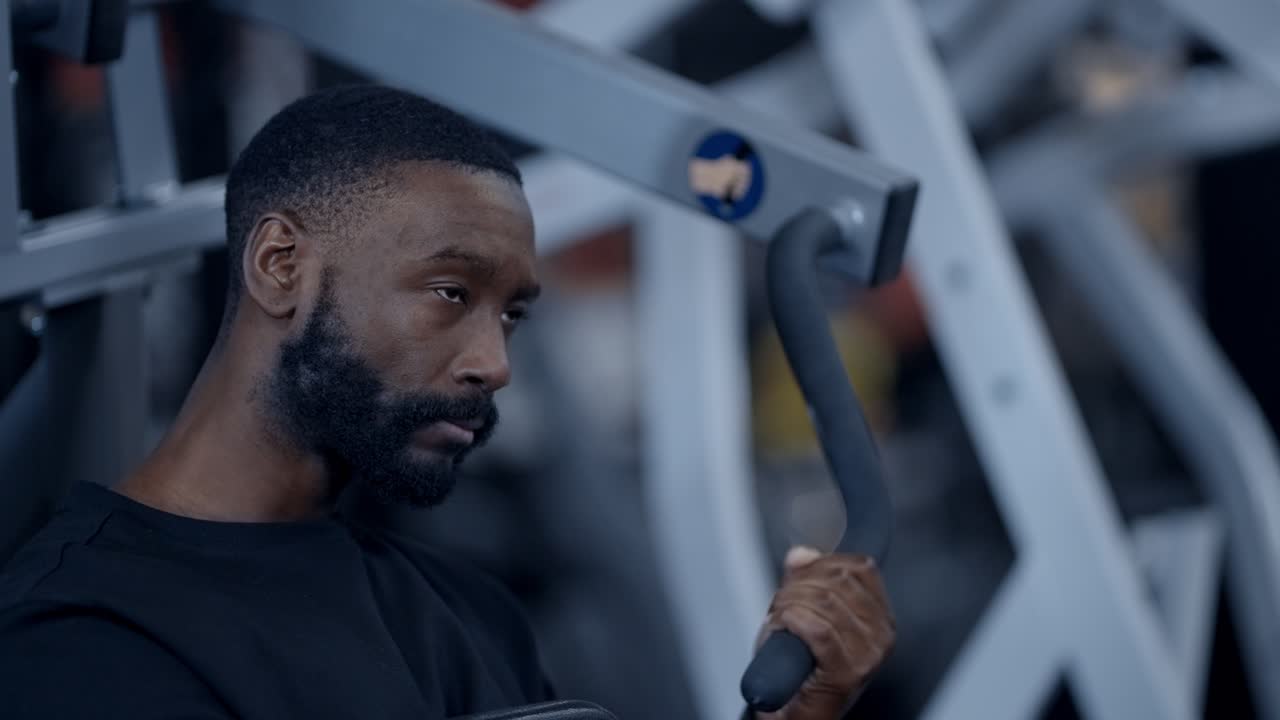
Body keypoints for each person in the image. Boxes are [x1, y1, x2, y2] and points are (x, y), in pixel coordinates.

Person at [0, 85, 894, 719]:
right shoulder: (85, 636)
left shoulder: (466, 613)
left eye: (512, 313)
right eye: (451, 293)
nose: (494, 362)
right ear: (282, 268)